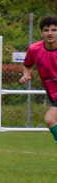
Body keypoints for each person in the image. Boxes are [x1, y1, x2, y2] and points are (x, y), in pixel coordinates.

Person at [17, 14, 57, 146]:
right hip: (53, 93)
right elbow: (28, 65)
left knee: (50, 118)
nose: (50, 33)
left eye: (54, 30)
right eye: (46, 30)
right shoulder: (34, 49)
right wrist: (25, 75)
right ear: (41, 33)